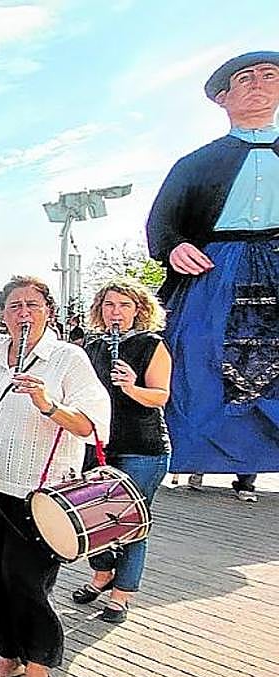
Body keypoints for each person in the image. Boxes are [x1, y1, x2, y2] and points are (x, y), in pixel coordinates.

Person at [0, 275, 110, 677]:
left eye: (33, 305)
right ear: (1, 313)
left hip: (42, 493)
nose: (23, 312)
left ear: (49, 311)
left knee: (28, 580)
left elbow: (91, 424)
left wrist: (48, 403)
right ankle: (6, 653)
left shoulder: (67, 359)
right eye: (14, 305)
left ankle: (38, 663)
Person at [146, 51, 279, 479]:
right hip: (216, 269)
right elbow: (162, 222)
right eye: (245, 79)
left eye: (268, 76)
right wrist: (174, 247)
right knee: (196, 351)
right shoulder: (196, 164)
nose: (258, 84)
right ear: (223, 98)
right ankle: (193, 453)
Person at [71, 281, 172, 624]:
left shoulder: (151, 345)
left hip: (143, 448)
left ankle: (121, 594)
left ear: (138, 310)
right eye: (109, 305)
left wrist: (131, 386)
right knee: (93, 517)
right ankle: (101, 575)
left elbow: (160, 397)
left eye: (124, 305)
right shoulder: (93, 346)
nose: (116, 312)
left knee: (131, 522)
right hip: (100, 444)